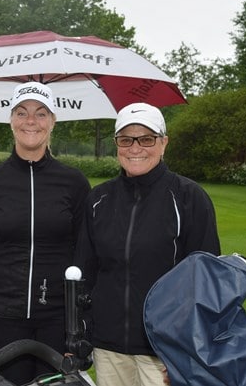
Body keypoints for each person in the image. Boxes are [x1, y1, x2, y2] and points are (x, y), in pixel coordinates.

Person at [73, 102, 221, 386]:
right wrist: (82, 332)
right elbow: (85, 272)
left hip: (165, 349)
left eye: (147, 139)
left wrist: (187, 351)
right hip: (109, 347)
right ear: (117, 144)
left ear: (163, 143)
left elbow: (207, 282)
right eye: (126, 139)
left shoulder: (189, 197)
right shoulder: (98, 199)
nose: (135, 148)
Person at [0, 81, 91, 386]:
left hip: (58, 321)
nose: (30, 120)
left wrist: (83, 325)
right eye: (21, 112)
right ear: (11, 120)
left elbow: (85, 256)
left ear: (53, 122)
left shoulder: (74, 183)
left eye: (40, 113)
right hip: (3, 316)